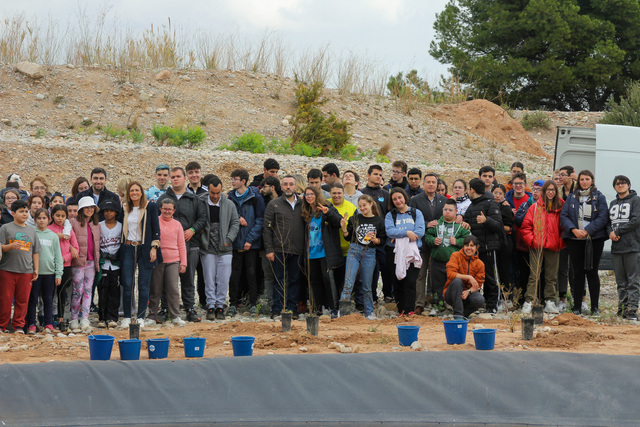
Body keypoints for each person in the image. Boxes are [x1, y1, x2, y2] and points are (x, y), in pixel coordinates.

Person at [157, 167, 207, 323]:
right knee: (167, 281)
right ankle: (164, 309)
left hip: (190, 244)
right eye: (173, 177)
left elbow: (202, 218)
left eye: (178, 176)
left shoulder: (194, 199)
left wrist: (192, 230)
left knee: (188, 278)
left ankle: (189, 308)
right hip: (167, 248)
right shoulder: (163, 198)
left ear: (185, 178)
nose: (175, 179)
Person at [560, 170, 608, 316]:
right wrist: (574, 229)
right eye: (582, 179)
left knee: (592, 272)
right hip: (575, 239)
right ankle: (577, 306)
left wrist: (587, 230)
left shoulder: (599, 197)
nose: (584, 182)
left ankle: (595, 307)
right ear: (578, 181)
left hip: (593, 240)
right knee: (577, 273)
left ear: (592, 181)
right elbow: (564, 216)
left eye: (587, 179)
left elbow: (603, 217)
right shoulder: (572, 197)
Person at [119, 182, 161, 328]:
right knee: (128, 284)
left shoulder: (150, 207)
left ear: (142, 192)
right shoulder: (124, 208)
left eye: (137, 190)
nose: (134, 193)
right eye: (132, 190)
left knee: (143, 285)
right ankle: (127, 316)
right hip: (128, 247)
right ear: (128, 193)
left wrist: (154, 247)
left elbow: (156, 228)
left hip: (144, 248)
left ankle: (141, 317)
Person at [263, 175, 305, 318]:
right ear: (281, 187)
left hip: (298, 249)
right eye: (285, 184)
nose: (288, 187)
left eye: (291, 184)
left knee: (295, 280)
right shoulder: (274, 204)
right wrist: (269, 249)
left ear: (296, 187)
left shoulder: (302, 204)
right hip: (279, 249)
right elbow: (267, 228)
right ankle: (277, 309)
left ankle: (292, 309)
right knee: (279, 279)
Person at [520, 181, 565, 315]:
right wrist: (532, 241)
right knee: (534, 275)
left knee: (551, 276)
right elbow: (526, 226)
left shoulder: (561, 207)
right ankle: (529, 301)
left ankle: (550, 301)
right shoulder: (534, 207)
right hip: (536, 246)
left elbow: (564, 228)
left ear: (556, 192)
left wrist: (559, 242)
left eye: (553, 190)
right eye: (548, 190)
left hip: (553, 247)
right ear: (543, 192)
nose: (550, 192)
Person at [199, 175, 239, 320]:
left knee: (223, 278)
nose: (215, 196)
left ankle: (220, 306)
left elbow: (235, 223)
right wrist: (200, 233)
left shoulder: (229, 204)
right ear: (208, 190)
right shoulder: (201, 202)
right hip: (207, 246)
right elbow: (196, 219)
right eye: (212, 193)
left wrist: (228, 239)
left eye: (218, 193)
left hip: (225, 247)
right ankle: (210, 306)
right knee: (209, 277)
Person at [339, 195, 386, 319]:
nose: (362, 208)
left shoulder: (379, 220)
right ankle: (343, 312)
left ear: (371, 204)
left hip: (370, 252)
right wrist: (344, 228)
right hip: (354, 250)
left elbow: (382, 240)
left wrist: (375, 239)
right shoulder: (355, 218)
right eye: (360, 206)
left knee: (366, 284)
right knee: (348, 282)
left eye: (364, 205)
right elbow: (348, 237)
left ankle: (369, 311)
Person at [227, 169, 265, 316]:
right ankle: (233, 303)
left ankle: (254, 303)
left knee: (251, 273)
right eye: (231, 179)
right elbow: (228, 215)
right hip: (235, 242)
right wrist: (237, 217)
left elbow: (260, 220)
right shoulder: (230, 197)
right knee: (234, 274)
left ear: (243, 181)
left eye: (235, 179)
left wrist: (250, 239)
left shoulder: (256, 197)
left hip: (251, 244)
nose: (232, 182)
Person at [301, 185, 344, 316]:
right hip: (311, 252)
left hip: (325, 252)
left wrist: (328, 213)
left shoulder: (328, 207)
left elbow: (339, 222)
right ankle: (317, 308)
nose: (309, 197)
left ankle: (334, 308)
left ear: (317, 195)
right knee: (314, 281)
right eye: (306, 195)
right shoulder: (305, 211)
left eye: (311, 194)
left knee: (328, 279)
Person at [463, 178, 504, 313]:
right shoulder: (471, 205)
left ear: (472, 190)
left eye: (469, 189)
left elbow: (498, 225)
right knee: (476, 277)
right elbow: (467, 222)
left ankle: (492, 306)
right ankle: (479, 304)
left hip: (488, 248)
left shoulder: (490, 203)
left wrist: (486, 220)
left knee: (491, 277)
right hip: (474, 250)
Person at [0, 200, 41, 333]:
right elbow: (0, 247)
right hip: (7, 270)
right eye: (21, 211)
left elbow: (35, 252)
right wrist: (10, 246)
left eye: (26, 211)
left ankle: (19, 326)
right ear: (13, 213)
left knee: (23, 300)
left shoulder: (31, 230)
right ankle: (2, 325)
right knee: (5, 299)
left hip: (26, 271)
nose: (24, 214)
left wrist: (36, 269)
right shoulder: (5, 228)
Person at [410, 172, 447, 315]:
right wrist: (426, 224)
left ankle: (438, 302)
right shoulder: (416, 200)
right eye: (428, 182)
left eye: (433, 182)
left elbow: (448, 218)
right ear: (423, 184)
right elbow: (412, 218)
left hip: (438, 242)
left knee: (437, 274)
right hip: (422, 242)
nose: (431, 184)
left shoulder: (443, 200)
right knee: (421, 274)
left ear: (437, 184)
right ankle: (419, 303)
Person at [424, 199, 471, 311]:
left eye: (450, 210)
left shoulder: (461, 226)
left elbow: (468, 240)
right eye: (445, 209)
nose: (447, 212)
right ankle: (438, 306)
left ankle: (456, 306)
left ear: (456, 211)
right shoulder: (436, 224)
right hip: (437, 260)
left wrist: (458, 242)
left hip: (455, 263)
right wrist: (433, 240)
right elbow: (427, 236)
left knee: (455, 284)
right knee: (437, 285)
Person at [385, 188, 425, 315]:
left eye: (399, 197)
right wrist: (407, 232)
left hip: (413, 252)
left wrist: (399, 236)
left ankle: (410, 310)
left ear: (405, 197)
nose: (398, 201)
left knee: (410, 281)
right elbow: (390, 231)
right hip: (394, 252)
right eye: (394, 199)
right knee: (398, 281)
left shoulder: (416, 213)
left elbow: (419, 232)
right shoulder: (390, 215)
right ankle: (401, 310)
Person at [149, 198, 187, 325]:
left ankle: (175, 316)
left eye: (169, 209)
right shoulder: (155, 221)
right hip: (158, 260)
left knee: (173, 289)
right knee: (155, 289)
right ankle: (151, 316)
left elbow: (182, 245)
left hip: (173, 261)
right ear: (160, 209)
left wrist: (183, 263)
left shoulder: (177, 224)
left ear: (173, 211)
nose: (167, 211)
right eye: (164, 208)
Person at [608, 175, 640, 320]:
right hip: (616, 248)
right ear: (614, 186)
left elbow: (636, 220)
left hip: (632, 246)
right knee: (620, 282)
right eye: (617, 183)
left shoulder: (636, 200)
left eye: (623, 183)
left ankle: (632, 310)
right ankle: (622, 308)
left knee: (632, 280)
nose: (620, 185)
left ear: (629, 185)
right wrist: (610, 233)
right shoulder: (613, 203)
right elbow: (608, 221)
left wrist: (618, 232)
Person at [26, 208, 62, 334]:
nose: (41, 220)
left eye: (44, 218)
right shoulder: (31, 233)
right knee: (33, 299)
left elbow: (58, 256)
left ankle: (48, 323)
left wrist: (58, 273)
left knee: (48, 299)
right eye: (39, 218)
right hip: (34, 273)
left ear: (49, 219)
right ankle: (31, 323)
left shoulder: (53, 236)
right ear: (34, 219)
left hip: (49, 273)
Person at [69, 196, 100, 331]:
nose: (90, 209)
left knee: (88, 290)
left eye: (92, 207)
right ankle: (74, 318)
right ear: (81, 209)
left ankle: (85, 317)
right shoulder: (73, 222)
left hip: (92, 261)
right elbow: (68, 239)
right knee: (77, 290)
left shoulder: (96, 224)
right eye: (87, 207)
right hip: (78, 262)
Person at [48, 204, 79, 331]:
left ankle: (61, 319)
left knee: (61, 292)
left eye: (63, 216)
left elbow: (75, 248)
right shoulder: (49, 229)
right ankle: (47, 318)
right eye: (57, 215)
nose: (60, 218)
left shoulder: (69, 230)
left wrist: (64, 258)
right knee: (49, 293)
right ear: (52, 215)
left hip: (65, 265)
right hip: (50, 265)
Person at [444, 236, 486, 318]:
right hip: (452, 293)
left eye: (472, 245)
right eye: (467, 245)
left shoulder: (480, 264)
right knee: (457, 281)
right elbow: (450, 274)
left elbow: (478, 285)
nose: (469, 248)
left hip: (467, 294)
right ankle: (458, 315)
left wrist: (468, 292)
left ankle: (463, 315)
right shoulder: (455, 255)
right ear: (463, 246)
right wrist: (468, 277)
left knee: (480, 300)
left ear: (477, 247)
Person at [328, 182, 356, 298]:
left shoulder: (351, 207)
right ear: (330, 194)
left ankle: (346, 301)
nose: (336, 196)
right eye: (334, 193)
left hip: (347, 249)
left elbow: (355, 228)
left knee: (347, 279)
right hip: (330, 250)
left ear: (344, 193)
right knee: (332, 280)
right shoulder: (326, 204)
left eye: (339, 193)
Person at [97, 199, 122, 328]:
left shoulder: (120, 226)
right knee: (102, 290)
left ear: (116, 212)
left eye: (111, 211)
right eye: (106, 211)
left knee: (114, 291)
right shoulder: (99, 225)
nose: (108, 213)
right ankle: (102, 317)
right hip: (103, 264)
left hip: (116, 263)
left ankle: (112, 317)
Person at [493, 184, 514, 306]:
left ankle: (506, 298)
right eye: (495, 192)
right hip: (493, 242)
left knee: (504, 271)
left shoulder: (506, 208)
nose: (497, 195)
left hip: (504, 243)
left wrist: (494, 225)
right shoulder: (489, 205)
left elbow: (508, 227)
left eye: (500, 193)